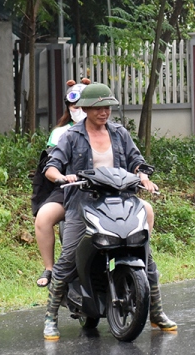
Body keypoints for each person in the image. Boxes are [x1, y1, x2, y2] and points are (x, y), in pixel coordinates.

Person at [41, 83, 176, 339]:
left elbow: (137, 162)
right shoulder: (71, 136)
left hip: (121, 201)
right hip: (83, 205)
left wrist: (144, 177)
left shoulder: (120, 133)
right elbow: (51, 166)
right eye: (98, 108)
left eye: (108, 107)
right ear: (86, 109)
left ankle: (156, 312)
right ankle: (50, 317)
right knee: (68, 259)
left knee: (145, 256)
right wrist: (61, 177)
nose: (104, 112)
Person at [32, 79, 91, 288]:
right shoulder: (62, 134)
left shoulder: (112, 131)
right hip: (69, 189)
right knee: (43, 218)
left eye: (85, 106)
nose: (80, 111)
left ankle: (141, 264)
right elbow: (51, 165)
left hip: (101, 189)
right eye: (75, 107)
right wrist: (62, 177)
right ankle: (49, 268)